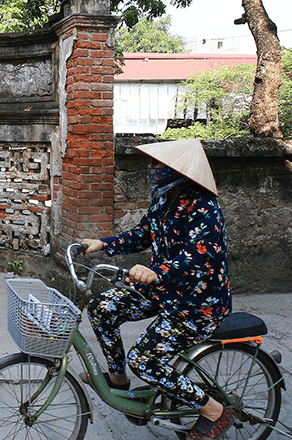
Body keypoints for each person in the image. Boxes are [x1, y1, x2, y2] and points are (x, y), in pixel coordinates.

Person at [80, 139, 233, 440]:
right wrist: (102, 244)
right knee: (101, 308)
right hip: (164, 291)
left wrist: (156, 271)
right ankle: (118, 380)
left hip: (196, 303)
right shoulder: (163, 201)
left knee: (144, 360)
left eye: (158, 164)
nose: (151, 169)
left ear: (178, 170)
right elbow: (141, 235)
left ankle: (213, 410)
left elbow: (202, 257)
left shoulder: (204, 207)